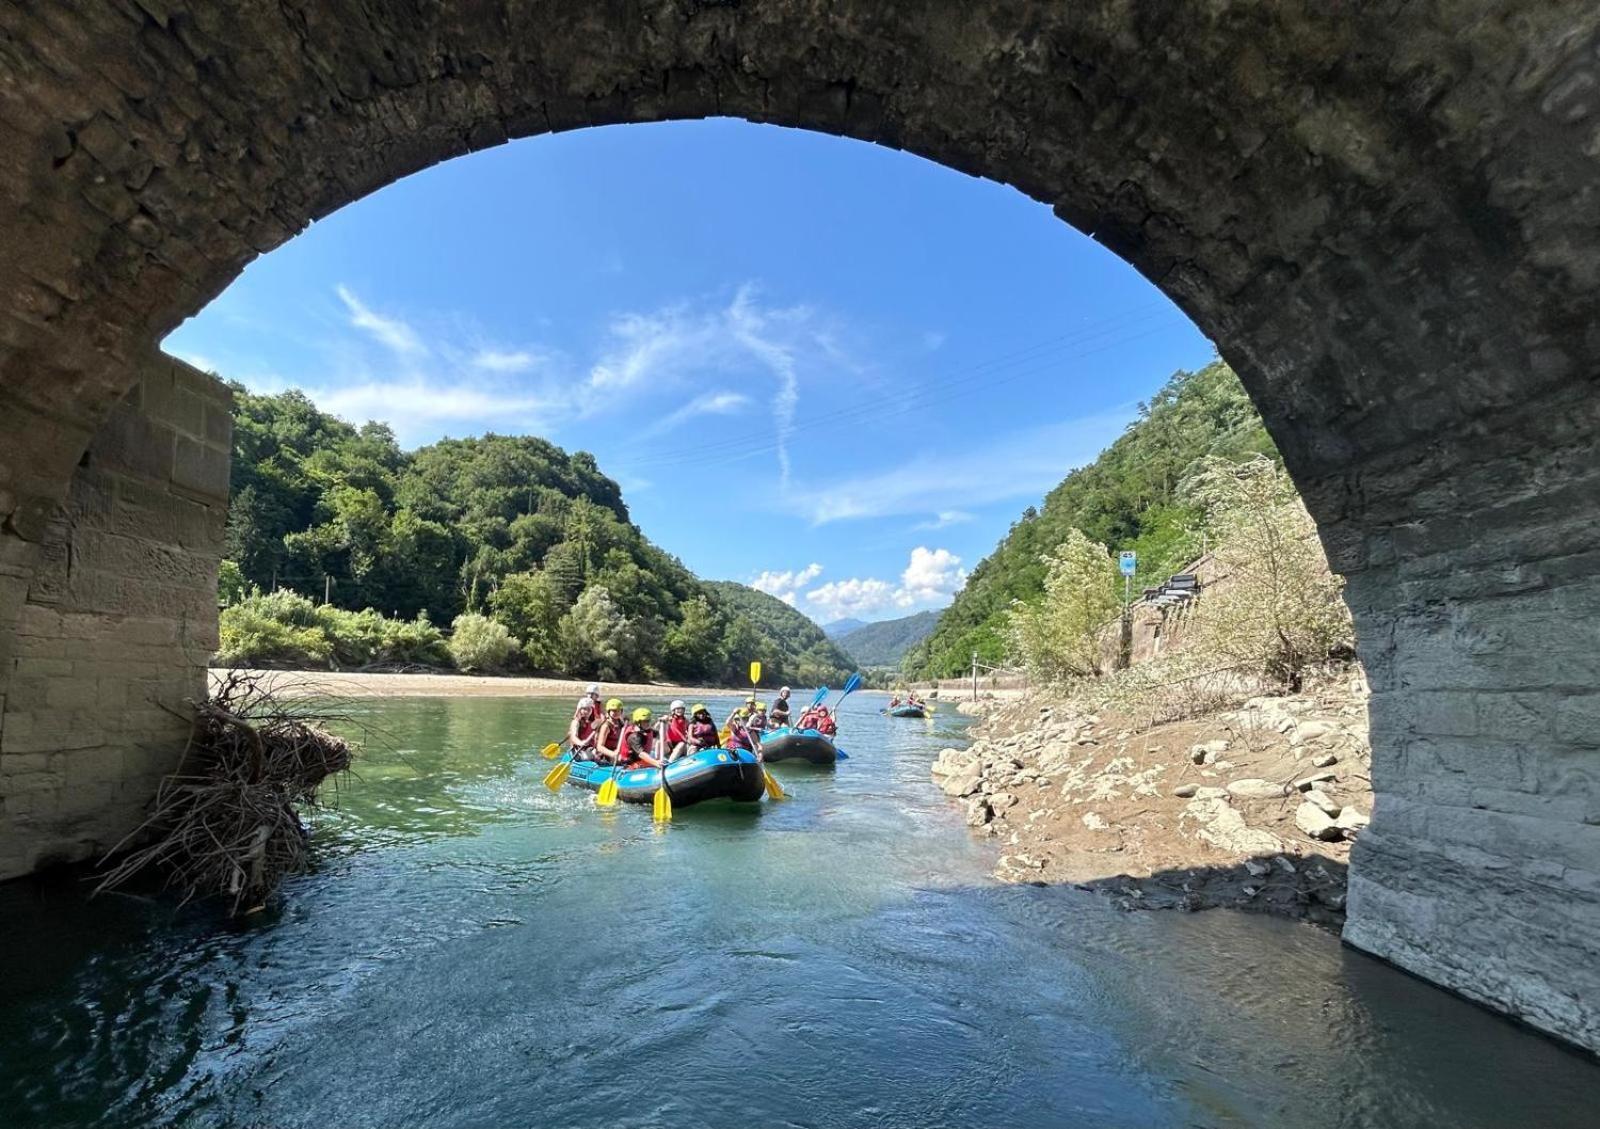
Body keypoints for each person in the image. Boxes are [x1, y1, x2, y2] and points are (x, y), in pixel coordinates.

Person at [594, 697, 627, 765]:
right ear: (608, 711)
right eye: (613, 711)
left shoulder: (621, 724)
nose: (616, 713)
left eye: (618, 710)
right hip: (605, 756)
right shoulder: (606, 726)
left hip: (617, 752)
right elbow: (599, 747)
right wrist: (613, 754)